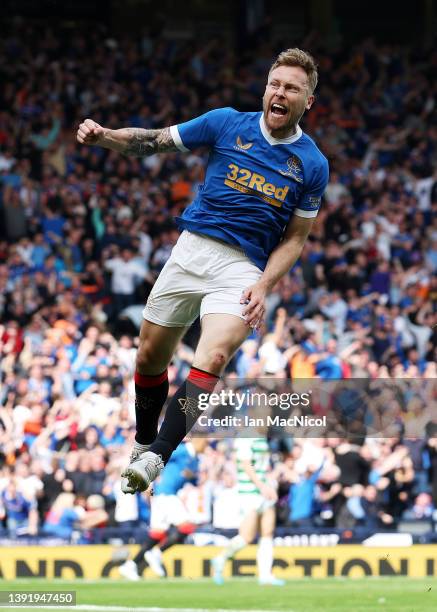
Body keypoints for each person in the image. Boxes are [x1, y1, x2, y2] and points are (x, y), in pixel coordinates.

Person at [76, 48, 329, 494]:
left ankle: (159, 455)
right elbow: (153, 141)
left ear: (308, 100)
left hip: (243, 268)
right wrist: (105, 137)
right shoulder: (226, 122)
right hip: (191, 252)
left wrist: (265, 284)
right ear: (266, 87)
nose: (280, 92)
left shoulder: (311, 164)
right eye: (275, 83)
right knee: (149, 358)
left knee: (211, 357)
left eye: (292, 88)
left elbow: (295, 238)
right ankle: (143, 440)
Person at [118, 439, 205, 580]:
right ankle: (157, 553)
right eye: (206, 443)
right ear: (198, 441)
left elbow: (193, 481)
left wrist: (194, 478)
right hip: (166, 493)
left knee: (157, 534)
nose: (207, 446)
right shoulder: (182, 450)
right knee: (187, 527)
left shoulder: (195, 460)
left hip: (162, 496)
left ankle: (130, 565)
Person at [211, 437, 284, 586]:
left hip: (264, 491)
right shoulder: (246, 437)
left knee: (268, 532)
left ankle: (265, 575)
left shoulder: (264, 439)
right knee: (247, 537)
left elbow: (262, 467)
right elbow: (246, 464)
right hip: (249, 493)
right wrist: (262, 486)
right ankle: (221, 559)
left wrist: (269, 485)